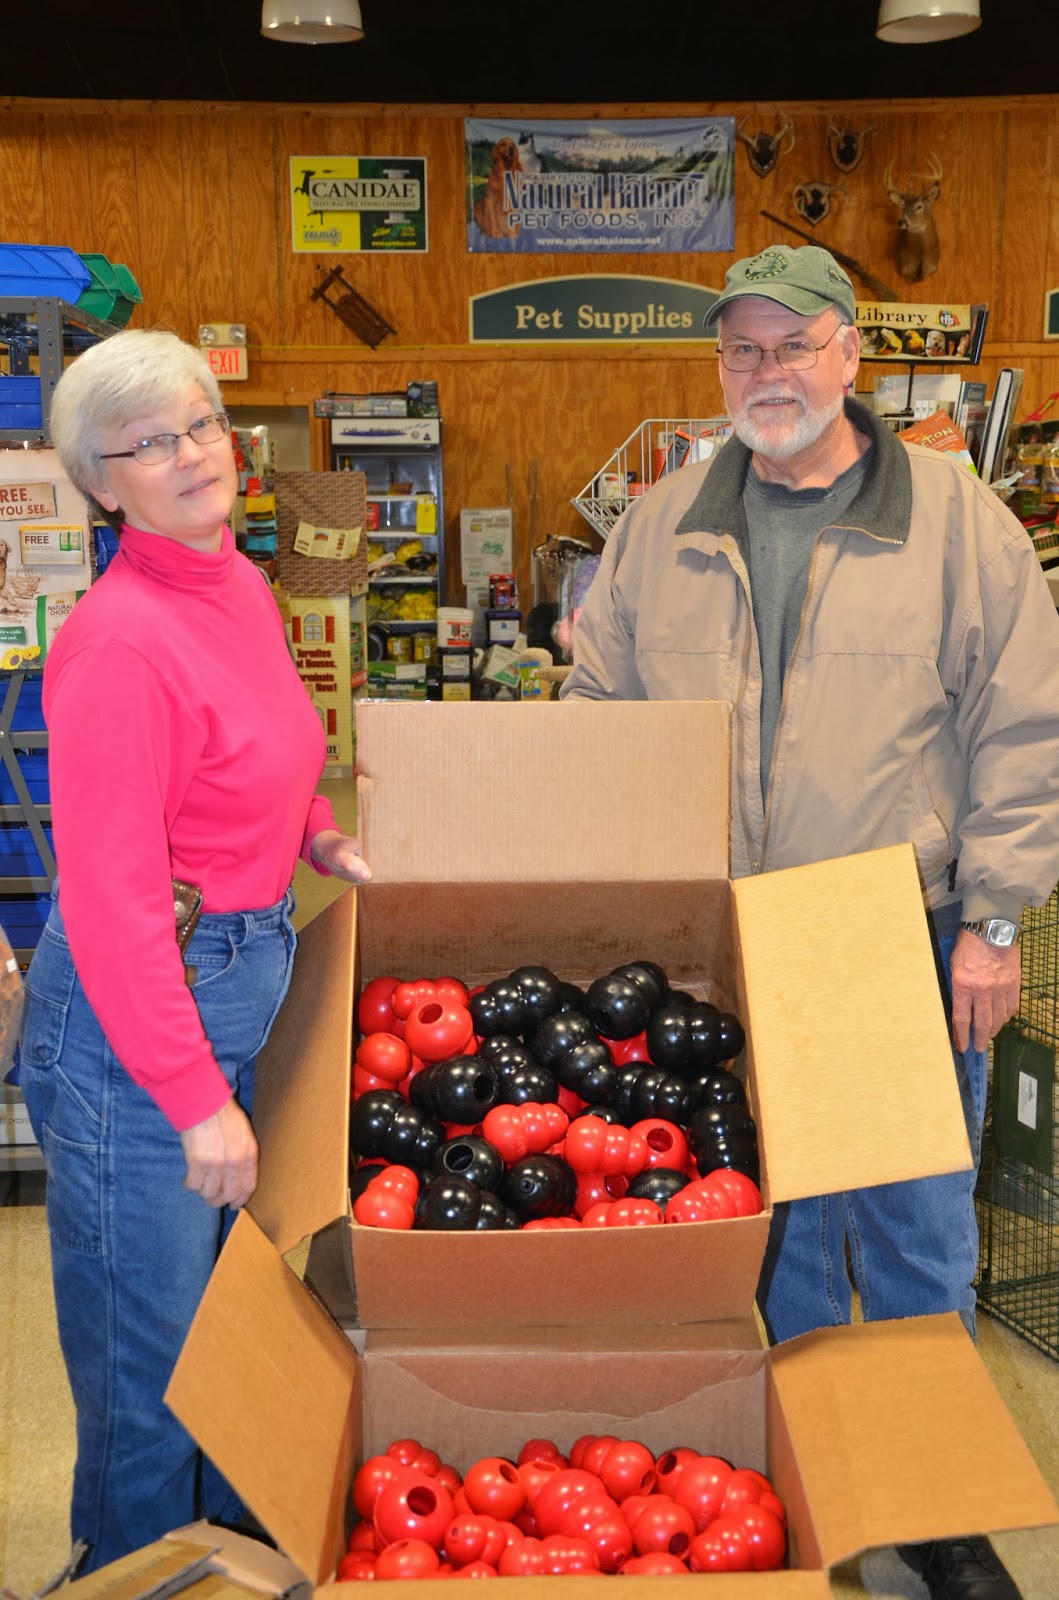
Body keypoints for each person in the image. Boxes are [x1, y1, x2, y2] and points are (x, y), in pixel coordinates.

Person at [561, 243, 1059, 1600]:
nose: (764, 372)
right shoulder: (657, 522)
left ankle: (928, 1509)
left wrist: (993, 925)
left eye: (792, 345)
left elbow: (1021, 731)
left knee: (908, 1238)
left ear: (851, 355)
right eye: (739, 349)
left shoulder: (958, 521)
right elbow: (596, 715)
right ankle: (779, 1498)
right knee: (751, 1226)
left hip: (886, 925)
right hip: (714, 944)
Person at [17, 328, 371, 1573]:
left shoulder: (235, 582)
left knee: (224, 1343)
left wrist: (314, 834)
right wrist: (191, 1105)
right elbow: (114, 900)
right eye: (148, 444)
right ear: (102, 485)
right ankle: (128, 1566)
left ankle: (215, 1561)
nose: (190, 455)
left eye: (203, 425)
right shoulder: (115, 642)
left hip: (226, 985)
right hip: (135, 1035)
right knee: (154, 1365)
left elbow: (269, 746)